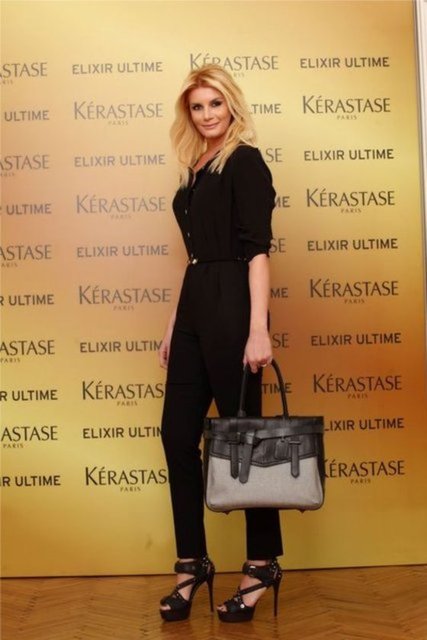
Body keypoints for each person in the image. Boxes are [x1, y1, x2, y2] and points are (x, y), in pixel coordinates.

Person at [158, 64, 283, 623]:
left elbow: (257, 252)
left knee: (245, 442)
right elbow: (195, 258)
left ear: (231, 105)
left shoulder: (245, 162)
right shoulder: (195, 168)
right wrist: (174, 322)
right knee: (175, 435)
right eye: (197, 106)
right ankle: (192, 563)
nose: (207, 114)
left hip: (234, 308)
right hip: (194, 308)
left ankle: (260, 564)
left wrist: (258, 328)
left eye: (215, 103)